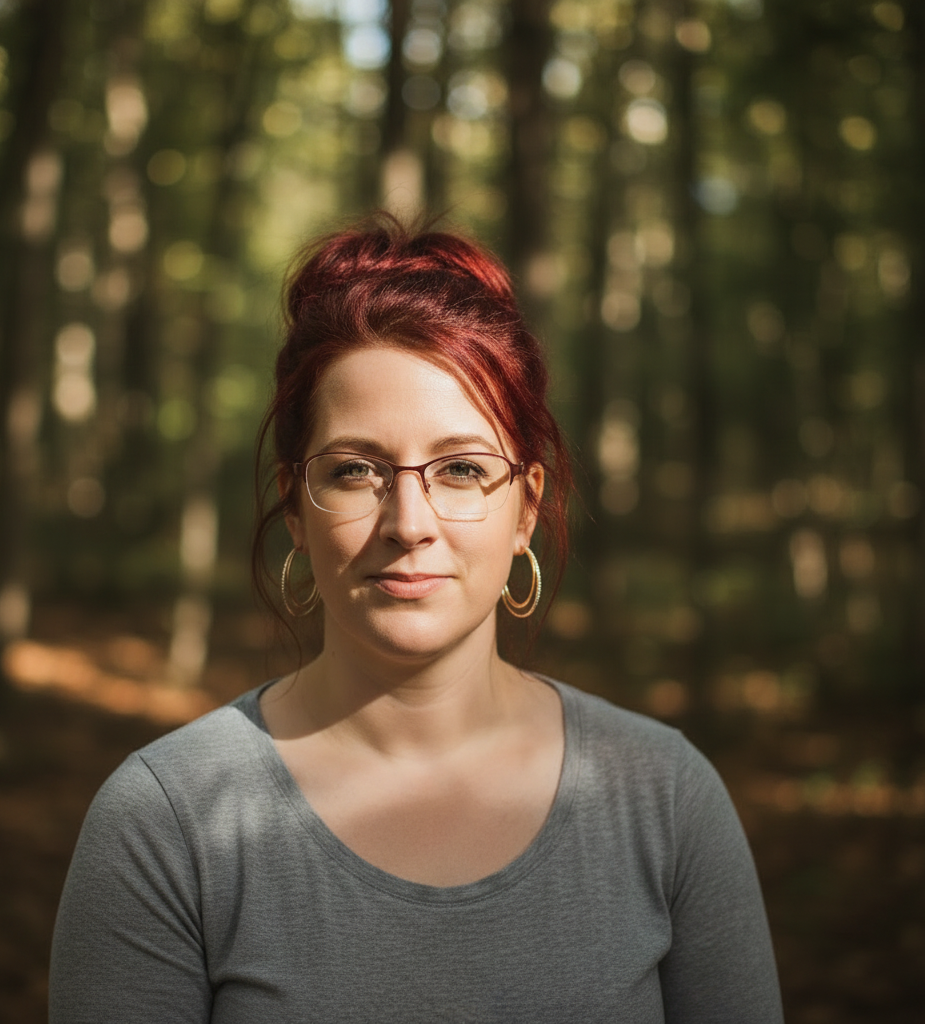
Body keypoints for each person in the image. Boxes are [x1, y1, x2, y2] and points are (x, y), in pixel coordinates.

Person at [49, 216, 783, 1023]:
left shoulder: (664, 798)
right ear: (295, 506)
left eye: (463, 468)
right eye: (357, 469)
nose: (409, 520)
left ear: (525, 509)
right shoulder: (166, 820)